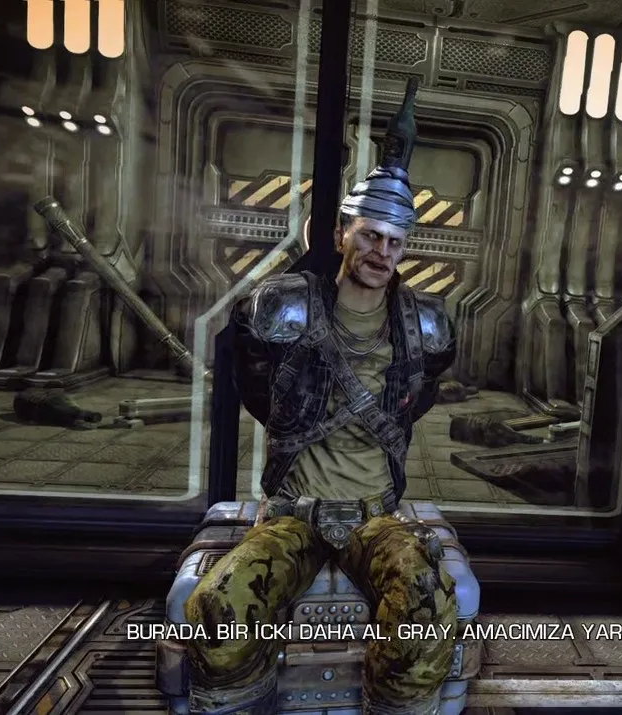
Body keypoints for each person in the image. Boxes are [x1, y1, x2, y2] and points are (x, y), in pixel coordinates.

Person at [183, 99, 459, 714]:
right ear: (341, 234)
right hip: (294, 515)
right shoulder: (285, 307)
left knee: (425, 609)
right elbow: (256, 387)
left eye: (394, 241)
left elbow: (420, 396)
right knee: (218, 609)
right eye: (370, 235)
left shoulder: (425, 325)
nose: (381, 252)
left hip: (375, 516)